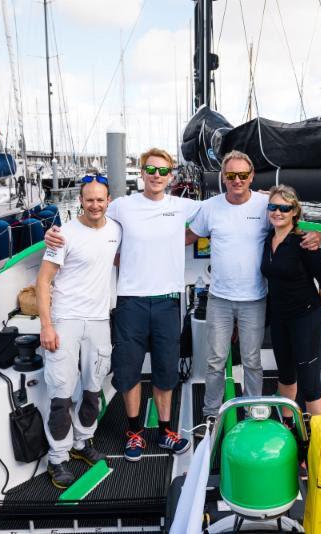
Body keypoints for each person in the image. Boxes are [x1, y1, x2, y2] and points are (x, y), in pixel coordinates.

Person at [44, 148, 197, 462]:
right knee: (128, 371)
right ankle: (135, 433)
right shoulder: (122, 207)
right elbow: (91, 225)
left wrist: (263, 199)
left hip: (168, 300)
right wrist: (52, 234)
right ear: (141, 173)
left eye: (163, 171)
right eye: (150, 170)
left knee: (166, 371)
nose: (156, 176)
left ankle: (166, 431)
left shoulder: (182, 205)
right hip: (130, 303)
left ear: (171, 175)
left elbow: (224, 209)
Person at [186, 151, 321, 420]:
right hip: (219, 298)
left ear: (251, 177)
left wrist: (319, 233)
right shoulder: (210, 207)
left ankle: (252, 412)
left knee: (252, 361)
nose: (237, 180)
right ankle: (212, 413)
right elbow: (191, 235)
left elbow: (294, 217)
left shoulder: (265, 204)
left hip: (255, 299)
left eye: (243, 175)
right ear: (223, 177)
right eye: (231, 175)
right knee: (214, 361)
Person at [36, 176, 121, 488]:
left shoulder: (116, 230)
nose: (95, 205)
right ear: (80, 201)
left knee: (92, 388)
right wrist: (46, 326)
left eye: (100, 200)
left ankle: (83, 443)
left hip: (99, 320)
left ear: (109, 200)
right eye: (89, 200)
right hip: (66, 320)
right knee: (60, 392)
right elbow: (43, 281)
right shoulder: (63, 234)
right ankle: (57, 458)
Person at [260, 185, 321, 419]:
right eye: (273, 207)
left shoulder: (305, 243)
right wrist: (264, 195)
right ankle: (288, 427)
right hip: (280, 318)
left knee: (310, 383)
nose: (278, 212)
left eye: (284, 208)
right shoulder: (267, 239)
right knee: (285, 376)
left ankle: (316, 440)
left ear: (295, 211)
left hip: (306, 318)